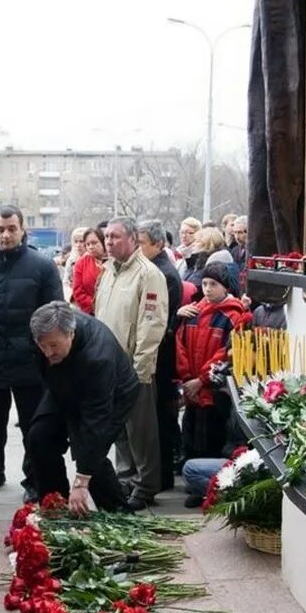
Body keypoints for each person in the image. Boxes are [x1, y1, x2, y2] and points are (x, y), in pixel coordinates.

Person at [0, 205, 63, 498]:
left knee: (32, 425)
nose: (6, 234)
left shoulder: (42, 266)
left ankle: (33, 480)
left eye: (12, 228)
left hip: (30, 361)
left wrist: (49, 353)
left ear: (23, 229)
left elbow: (55, 312)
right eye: (0, 229)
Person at [27, 302, 136, 513]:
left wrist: (81, 481)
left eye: (53, 345)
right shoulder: (43, 332)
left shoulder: (98, 358)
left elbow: (96, 424)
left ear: (71, 334)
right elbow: (43, 361)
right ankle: (54, 505)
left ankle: (119, 514)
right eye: (43, 346)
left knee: (89, 447)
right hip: (63, 381)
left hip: (111, 393)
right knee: (39, 436)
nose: (47, 352)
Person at [93, 217, 168, 510]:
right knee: (120, 429)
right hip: (107, 366)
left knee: (141, 430)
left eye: (115, 236)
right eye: (106, 237)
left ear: (133, 238)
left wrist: (141, 368)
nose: (109, 242)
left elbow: (151, 324)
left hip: (133, 367)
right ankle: (125, 477)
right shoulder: (108, 271)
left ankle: (146, 486)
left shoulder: (148, 274)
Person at [176, 263, 249, 460]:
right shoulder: (193, 312)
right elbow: (180, 345)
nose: (207, 289)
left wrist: (201, 380)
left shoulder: (234, 316)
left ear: (226, 287)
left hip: (215, 391)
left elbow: (225, 353)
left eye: (213, 284)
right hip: (192, 387)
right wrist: (187, 378)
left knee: (213, 437)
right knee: (191, 434)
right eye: (205, 283)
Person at [136, 220, 183, 492]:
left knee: (161, 419)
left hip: (160, 357)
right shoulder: (154, 269)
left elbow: (159, 321)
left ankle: (162, 476)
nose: (138, 249)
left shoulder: (162, 273)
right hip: (158, 355)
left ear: (158, 244)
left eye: (141, 243)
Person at [70, 227, 106, 315]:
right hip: (89, 312)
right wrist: (95, 305)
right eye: (88, 244)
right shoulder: (81, 263)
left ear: (103, 242)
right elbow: (78, 291)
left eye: (94, 243)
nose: (91, 247)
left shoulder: (113, 261)